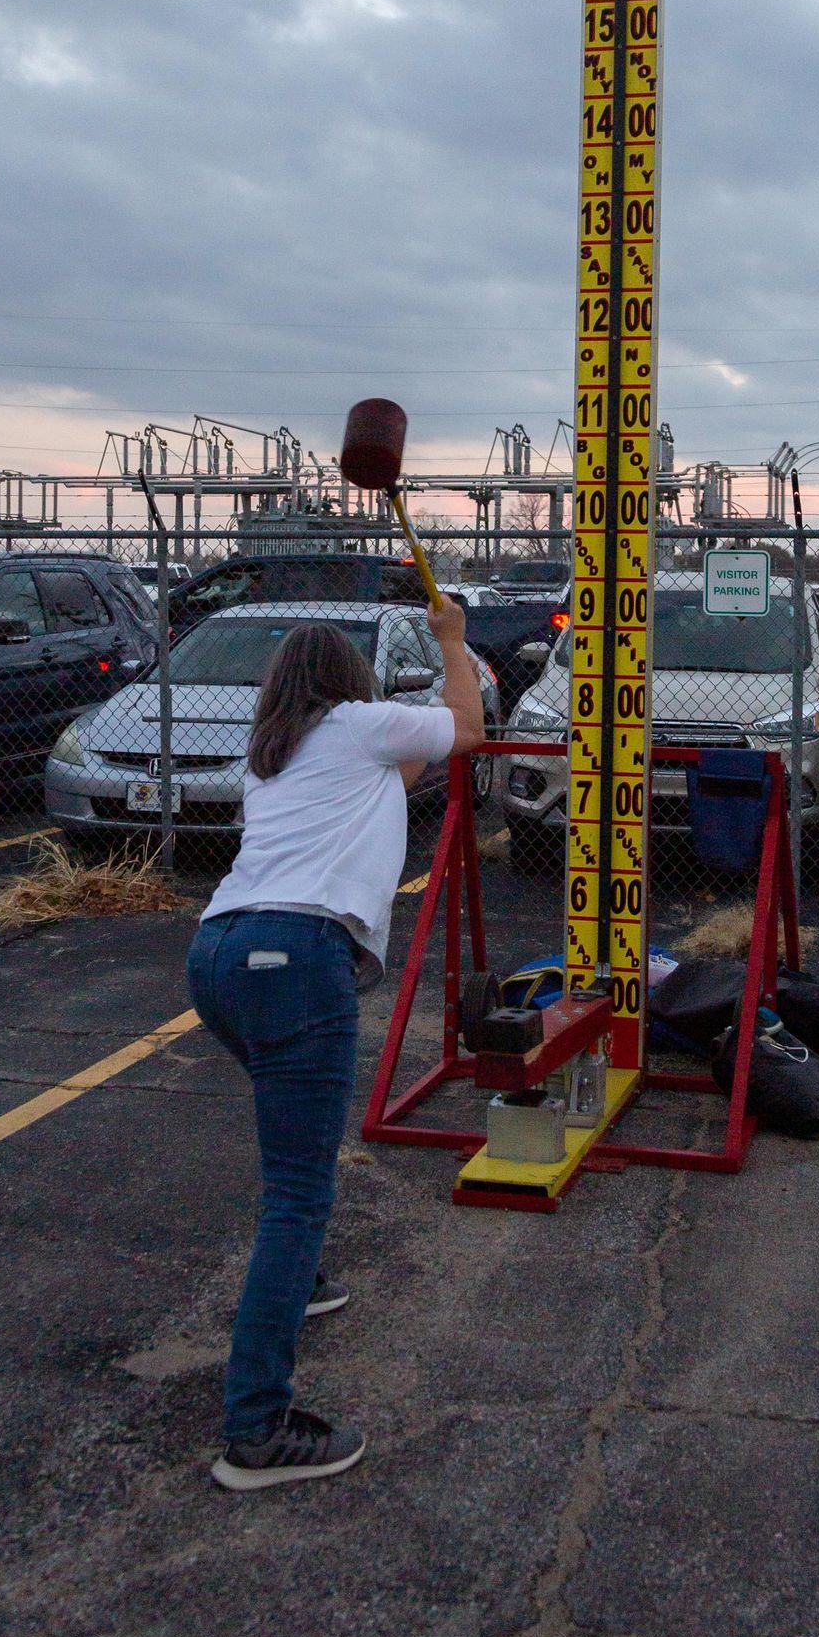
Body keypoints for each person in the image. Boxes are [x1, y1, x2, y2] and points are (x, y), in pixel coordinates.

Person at [185, 597, 484, 1489]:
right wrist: (454, 642)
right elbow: (466, 727)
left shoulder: (274, 755)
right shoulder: (355, 725)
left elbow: (423, 754)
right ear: (346, 683)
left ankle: (296, 1282)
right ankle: (257, 1433)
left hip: (216, 958)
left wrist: (441, 675)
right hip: (296, 960)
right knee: (298, 1192)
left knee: (292, 1160)